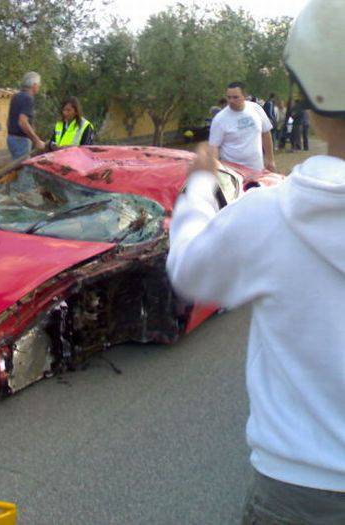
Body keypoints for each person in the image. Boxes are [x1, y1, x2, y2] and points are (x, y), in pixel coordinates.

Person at [166, 1, 345, 522]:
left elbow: (190, 271)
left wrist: (201, 184)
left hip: (299, 491)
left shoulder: (269, 215)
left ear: (309, 100)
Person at [208, 82, 276, 172]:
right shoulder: (219, 119)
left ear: (244, 96)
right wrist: (214, 170)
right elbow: (214, 147)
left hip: (256, 169)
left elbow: (266, 133)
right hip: (232, 172)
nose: (231, 101)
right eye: (229, 97)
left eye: (235, 97)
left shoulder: (256, 109)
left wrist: (270, 159)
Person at [6, 72, 46, 159]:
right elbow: (23, 122)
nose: (39, 87)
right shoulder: (28, 99)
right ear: (34, 85)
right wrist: (36, 141)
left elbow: (8, 120)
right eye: (38, 84)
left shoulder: (16, 97)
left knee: (16, 167)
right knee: (23, 170)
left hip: (11, 138)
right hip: (21, 140)